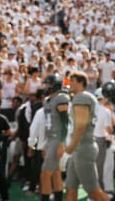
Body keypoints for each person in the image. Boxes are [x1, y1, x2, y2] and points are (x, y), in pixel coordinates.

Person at [65, 71, 109, 201]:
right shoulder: (85, 97)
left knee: (93, 190)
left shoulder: (81, 97)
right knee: (70, 187)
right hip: (82, 147)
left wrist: (70, 147)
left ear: (81, 83)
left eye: (72, 81)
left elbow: (80, 126)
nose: (69, 84)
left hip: (82, 148)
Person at [40, 73, 70, 201]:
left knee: (45, 173)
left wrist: (61, 143)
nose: (45, 86)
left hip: (58, 137)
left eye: (48, 84)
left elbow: (65, 122)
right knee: (56, 172)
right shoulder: (47, 100)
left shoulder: (61, 98)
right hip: (50, 137)